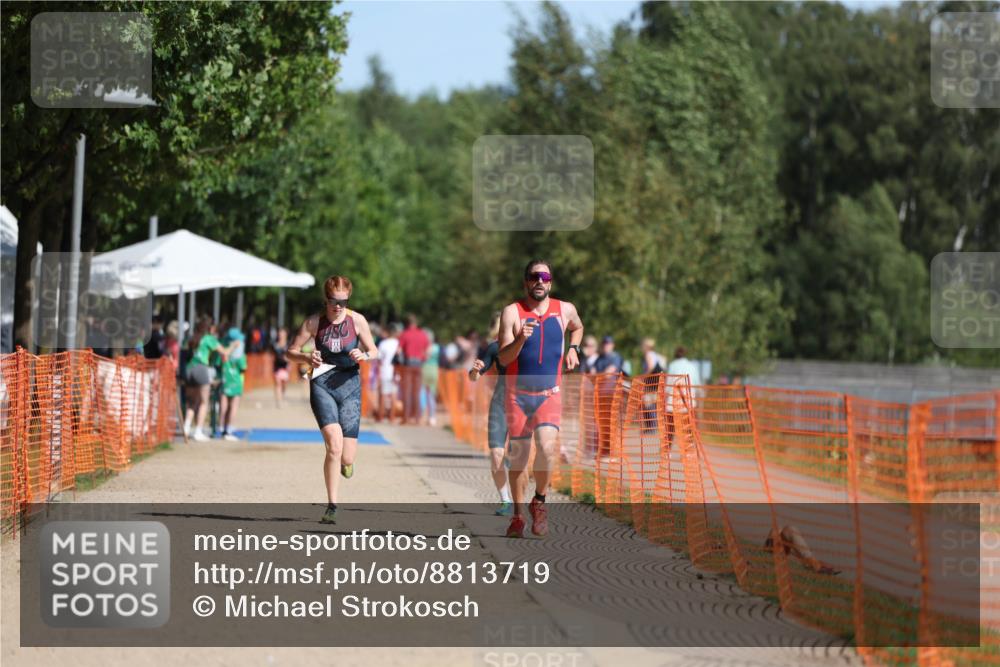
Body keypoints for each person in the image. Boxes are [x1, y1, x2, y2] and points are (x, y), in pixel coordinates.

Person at [497, 259, 584, 538]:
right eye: (534, 277)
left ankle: (540, 501)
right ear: (525, 281)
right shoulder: (512, 313)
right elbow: (503, 357)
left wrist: (574, 349)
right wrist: (520, 339)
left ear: (550, 282)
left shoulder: (565, 309)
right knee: (519, 458)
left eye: (545, 277)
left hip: (549, 394)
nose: (539, 281)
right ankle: (518, 516)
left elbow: (578, 327)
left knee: (547, 450)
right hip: (518, 396)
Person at [286, 275, 378, 525]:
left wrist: (364, 354)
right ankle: (332, 505)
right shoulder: (314, 322)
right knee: (333, 447)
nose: (338, 306)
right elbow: (290, 351)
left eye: (343, 301)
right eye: (334, 301)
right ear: (325, 299)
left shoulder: (357, 320)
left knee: (347, 457)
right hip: (322, 383)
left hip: (349, 385)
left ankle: (347, 465)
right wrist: (306, 359)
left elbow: (374, 350)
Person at [470, 312, 513, 516]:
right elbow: (474, 377)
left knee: (516, 456)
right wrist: (474, 370)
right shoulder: (495, 347)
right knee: (497, 455)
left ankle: (524, 498)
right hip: (500, 402)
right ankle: (505, 499)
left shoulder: (528, 346)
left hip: (524, 403)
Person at [183, 316, 231, 441]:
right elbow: (224, 352)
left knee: (193, 401)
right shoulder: (209, 338)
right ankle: (198, 430)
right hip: (201, 368)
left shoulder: (193, 338)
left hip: (189, 368)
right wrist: (235, 345)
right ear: (210, 328)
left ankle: (186, 427)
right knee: (204, 402)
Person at [594, 335, 623, 460]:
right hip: (600, 395)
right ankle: (604, 450)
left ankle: (614, 452)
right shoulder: (599, 358)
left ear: (612, 345)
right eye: (605, 344)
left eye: (608, 344)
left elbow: (609, 373)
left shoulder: (615, 357)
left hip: (613, 394)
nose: (606, 346)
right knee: (602, 424)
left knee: (612, 423)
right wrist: (599, 375)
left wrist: (599, 376)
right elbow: (593, 372)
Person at [665, 346, 702, 446]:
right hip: (688, 402)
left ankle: (667, 450)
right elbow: (697, 385)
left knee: (670, 428)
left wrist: (664, 397)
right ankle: (689, 450)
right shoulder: (692, 366)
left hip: (673, 403)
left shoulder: (673, 365)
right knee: (688, 429)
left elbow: (668, 385)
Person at [397, 314, 430, 424]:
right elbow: (427, 351)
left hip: (408, 364)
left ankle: (406, 418)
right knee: (416, 392)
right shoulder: (423, 334)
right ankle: (417, 418)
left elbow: (399, 351)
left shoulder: (404, 334)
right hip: (419, 364)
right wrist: (423, 359)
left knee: (406, 392)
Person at [219, 327, 247, 441]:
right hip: (236, 380)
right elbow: (243, 367)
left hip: (224, 378)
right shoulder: (239, 353)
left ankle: (220, 427)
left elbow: (218, 362)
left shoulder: (223, 349)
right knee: (233, 406)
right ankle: (229, 429)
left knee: (223, 404)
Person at [376, 323, 402, 422]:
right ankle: (392, 416)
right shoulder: (398, 343)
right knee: (393, 394)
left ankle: (381, 416)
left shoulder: (383, 343)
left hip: (385, 370)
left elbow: (379, 358)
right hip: (396, 371)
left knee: (383, 394)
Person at [421, 328, 440, 426]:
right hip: (434, 370)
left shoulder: (424, 347)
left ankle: (421, 415)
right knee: (432, 395)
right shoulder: (437, 347)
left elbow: (423, 357)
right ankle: (432, 417)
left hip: (424, 369)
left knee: (423, 393)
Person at [272, 327, 290, 408]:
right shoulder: (275, 344)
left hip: (285, 367)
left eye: (282, 333)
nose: (281, 335)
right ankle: (279, 401)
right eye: (280, 334)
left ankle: (282, 397)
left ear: (285, 334)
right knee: (278, 384)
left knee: (284, 385)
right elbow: (272, 355)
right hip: (277, 367)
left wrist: (288, 360)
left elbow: (291, 356)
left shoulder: (288, 344)